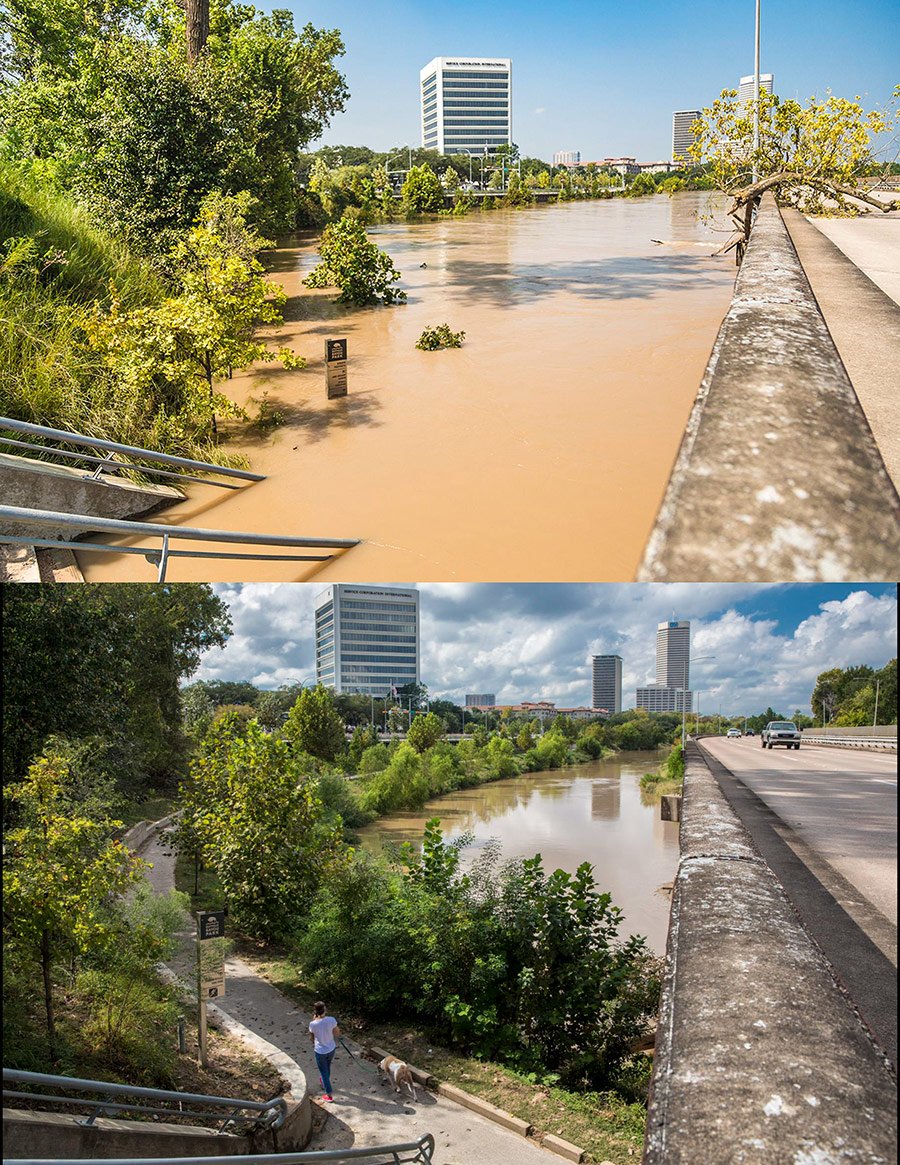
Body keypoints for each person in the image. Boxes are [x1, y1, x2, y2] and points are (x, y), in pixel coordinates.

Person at [308, 1001, 340, 1102]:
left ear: (315, 1011)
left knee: (323, 1071)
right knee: (327, 1067)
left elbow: (311, 1038)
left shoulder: (312, 1024)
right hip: (331, 1049)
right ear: (325, 1010)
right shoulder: (331, 1020)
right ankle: (324, 1081)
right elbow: (337, 1033)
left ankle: (329, 1094)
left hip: (320, 1051)